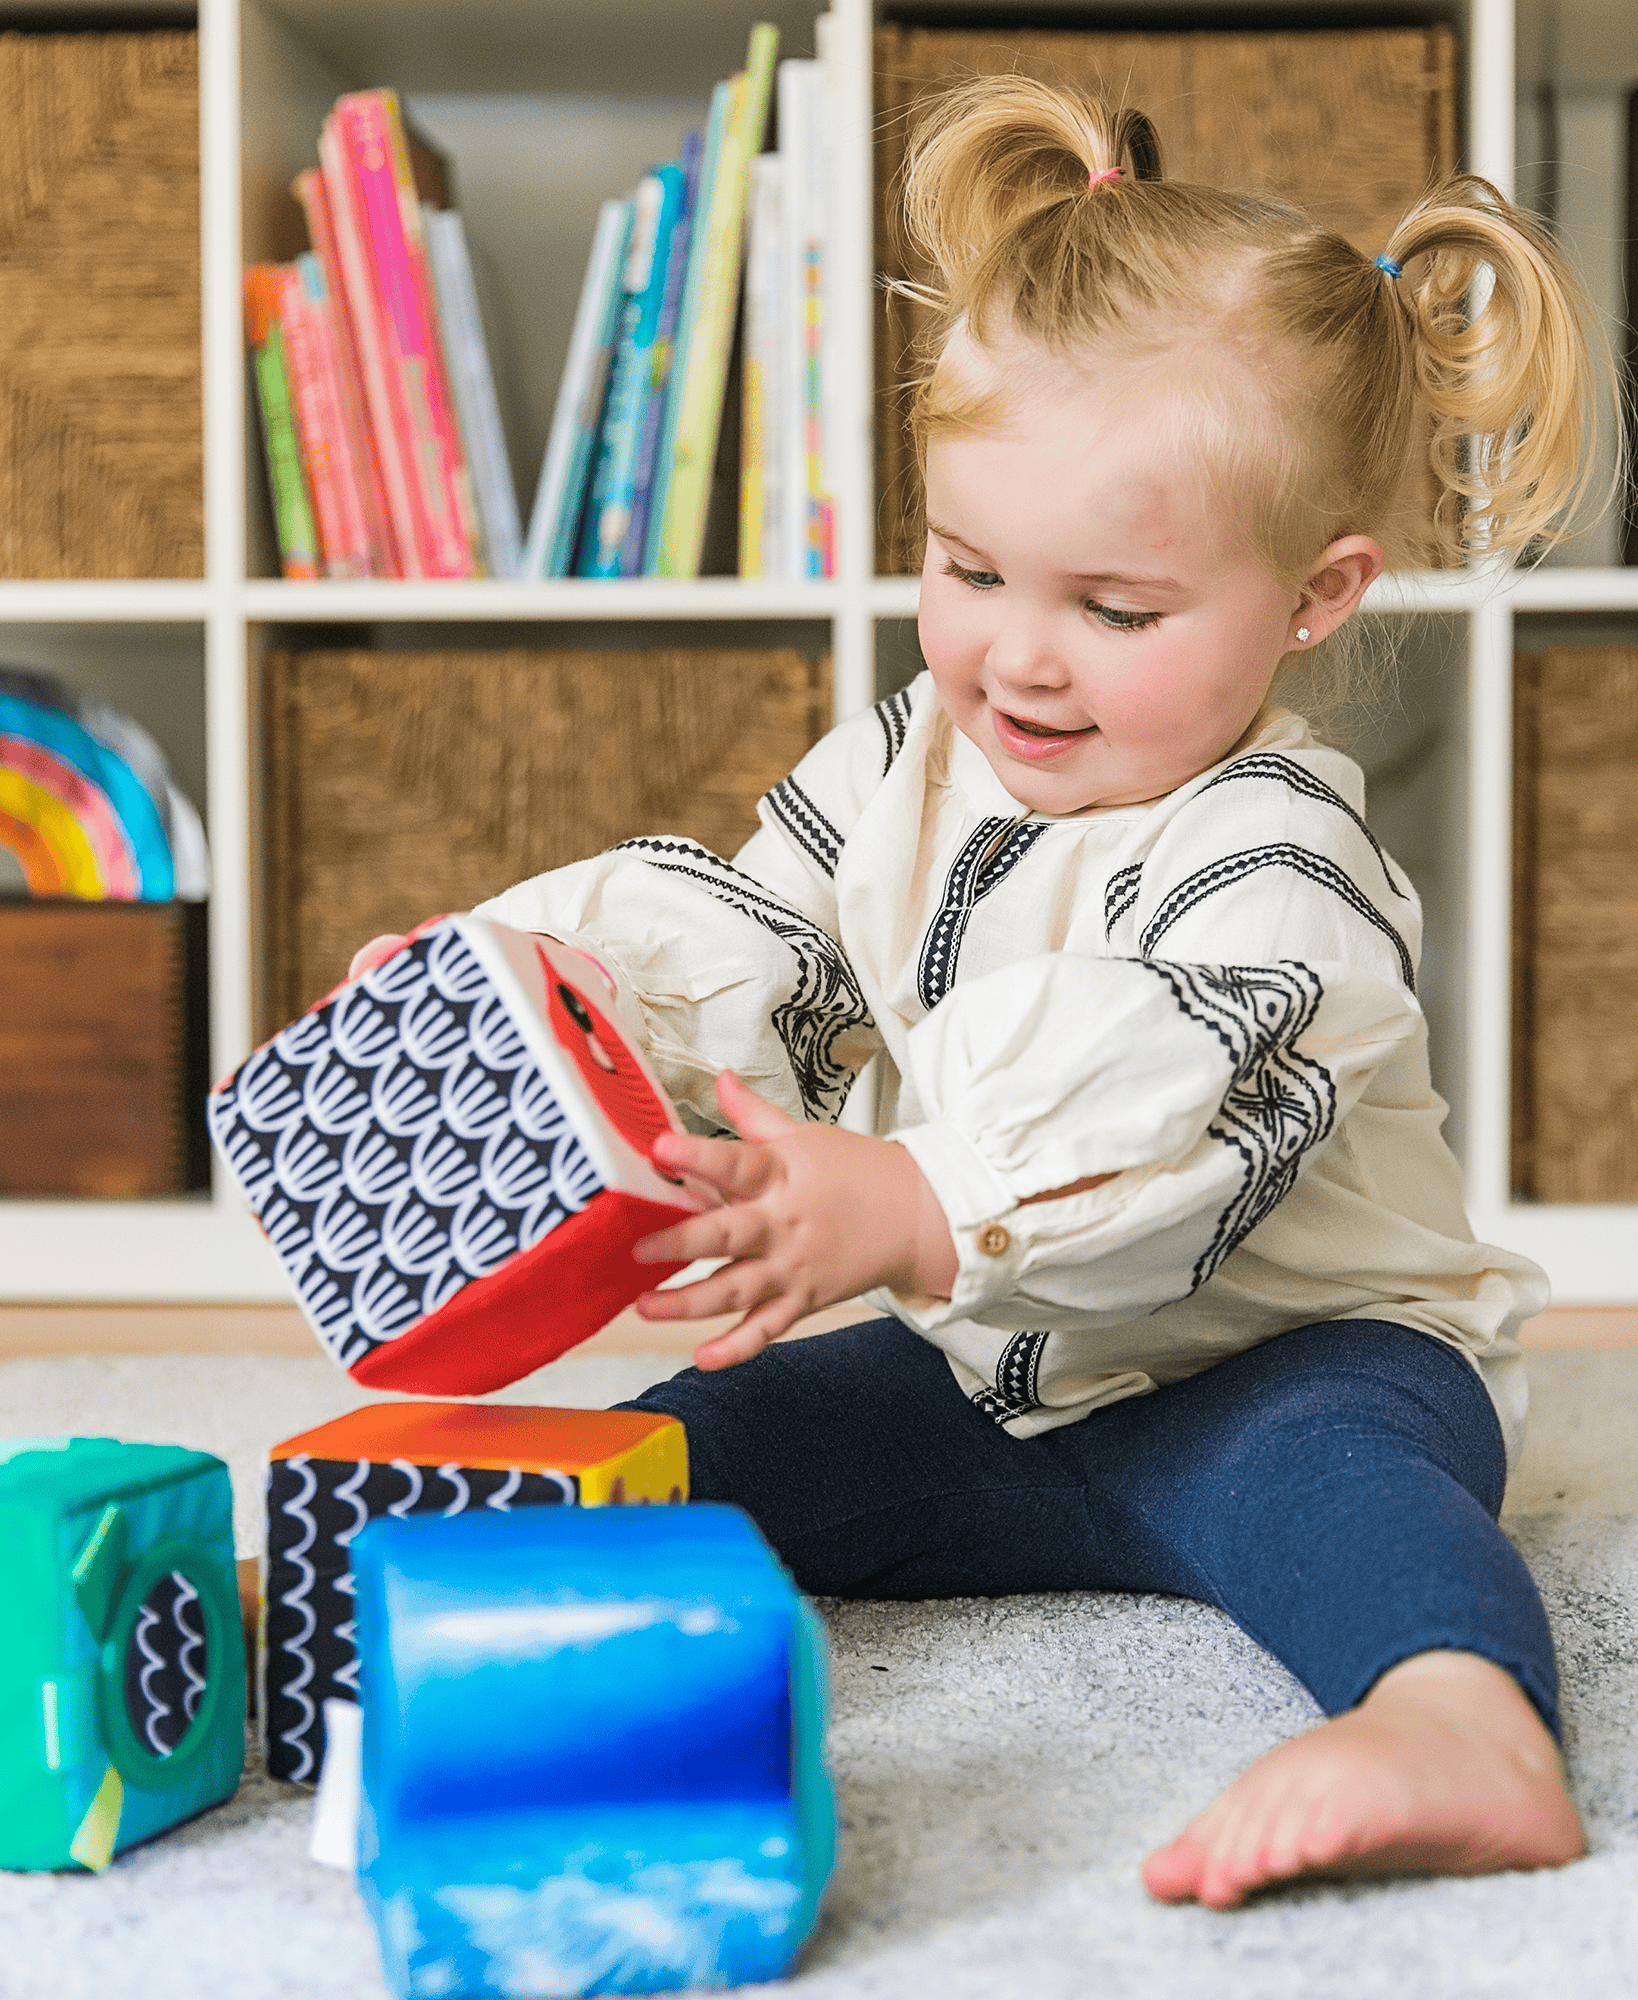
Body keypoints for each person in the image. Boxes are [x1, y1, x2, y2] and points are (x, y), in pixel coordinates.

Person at [348, 76, 1611, 1907]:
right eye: (967, 570)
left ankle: (1458, 1723)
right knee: (682, 1451)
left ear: (1315, 597)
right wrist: (546, 993)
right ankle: (406, 1604)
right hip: (999, 1375)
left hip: (1282, 1367)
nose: (1018, 654)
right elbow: (764, 928)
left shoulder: (1283, 864)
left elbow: (1169, 1102)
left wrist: (922, 1196)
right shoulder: (915, 761)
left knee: (1351, 1497)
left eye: (1117, 609)